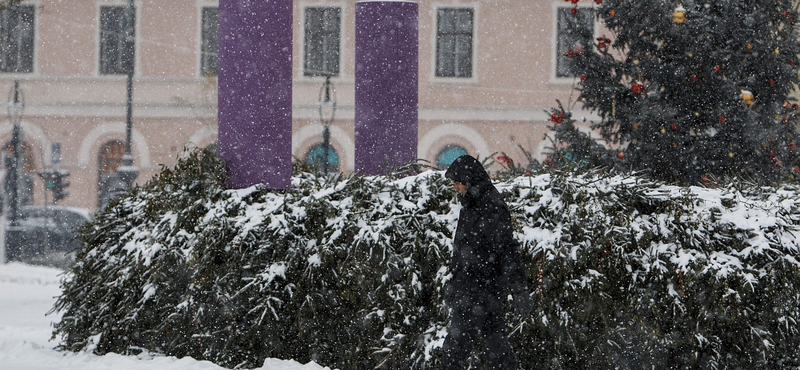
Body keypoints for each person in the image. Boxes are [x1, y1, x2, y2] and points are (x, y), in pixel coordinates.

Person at [441, 155, 533, 370]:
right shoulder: (473, 204)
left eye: (457, 182)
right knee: (495, 349)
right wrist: (455, 284)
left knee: (457, 350)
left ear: (468, 179)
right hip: (475, 291)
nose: (456, 188)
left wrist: (519, 288)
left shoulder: (490, 205)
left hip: (482, 292)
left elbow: (506, 249)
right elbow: (462, 252)